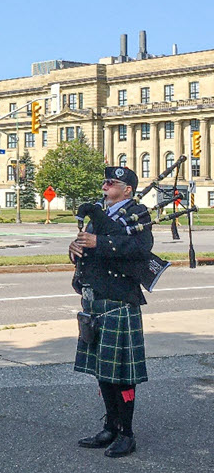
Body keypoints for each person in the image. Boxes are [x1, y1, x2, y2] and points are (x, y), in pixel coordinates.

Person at [69, 166, 152, 458]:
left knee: (122, 374)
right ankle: (111, 427)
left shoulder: (138, 214)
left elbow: (140, 248)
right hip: (95, 301)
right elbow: (85, 246)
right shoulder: (98, 215)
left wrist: (99, 242)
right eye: (104, 181)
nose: (104, 185)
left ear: (127, 189)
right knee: (103, 371)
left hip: (119, 300)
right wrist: (75, 248)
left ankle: (127, 433)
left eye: (111, 182)